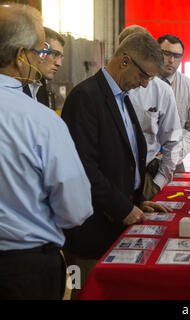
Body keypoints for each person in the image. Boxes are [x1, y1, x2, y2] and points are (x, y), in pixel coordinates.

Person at [61, 31, 171, 298]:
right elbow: (83, 168)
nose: (145, 85)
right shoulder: (86, 97)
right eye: (144, 76)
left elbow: (125, 158)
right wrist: (123, 206)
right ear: (124, 61)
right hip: (92, 232)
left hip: (117, 223)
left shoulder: (121, 96)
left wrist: (137, 199)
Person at [0, 4, 93, 299]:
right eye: (39, 50)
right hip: (23, 269)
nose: (43, 58)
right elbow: (75, 208)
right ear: (19, 56)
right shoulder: (40, 121)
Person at [119, 25, 182, 201]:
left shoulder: (160, 90)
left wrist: (158, 183)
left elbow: (173, 141)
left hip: (146, 177)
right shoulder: (103, 90)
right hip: (111, 180)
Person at [157, 34, 190, 172]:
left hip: (174, 164)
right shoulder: (140, 83)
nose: (171, 60)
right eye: (166, 54)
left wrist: (170, 155)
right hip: (140, 162)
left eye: (177, 56)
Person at [23, 27, 65, 109]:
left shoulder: (41, 90)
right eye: (55, 54)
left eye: (61, 57)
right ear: (40, 52)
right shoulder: (16, 88)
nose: (59, 63)